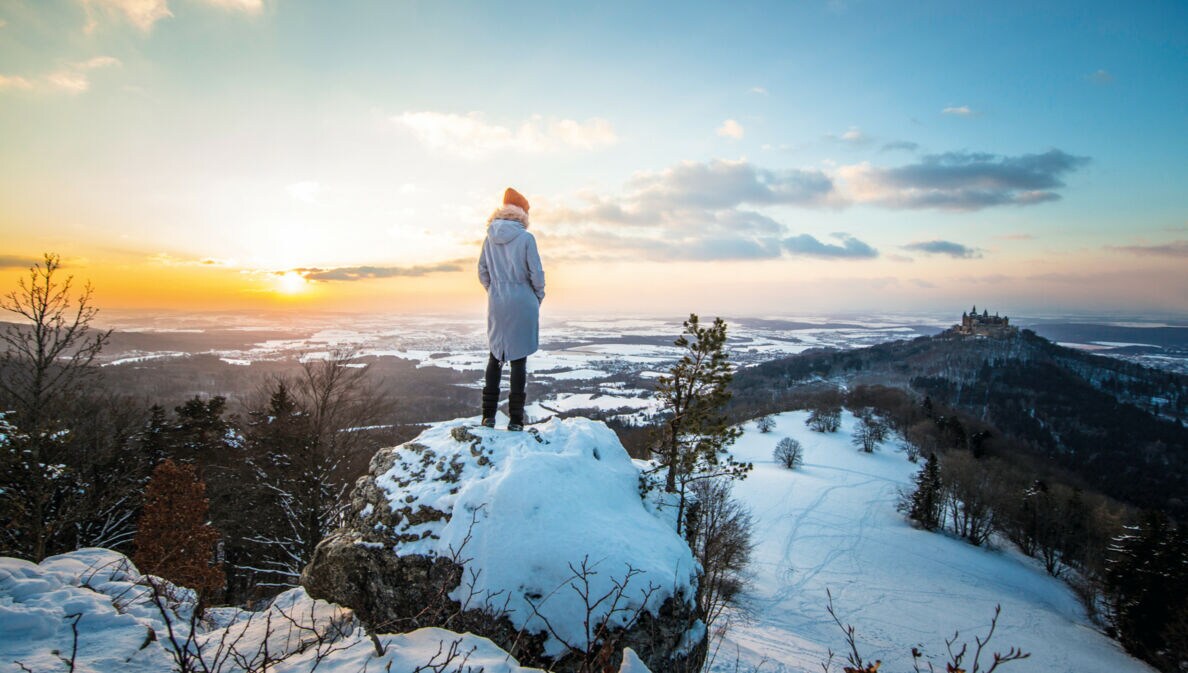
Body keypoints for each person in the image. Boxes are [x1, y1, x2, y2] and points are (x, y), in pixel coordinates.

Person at [478, 187, 545, 431]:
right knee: (518, 360)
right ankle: (516, 420)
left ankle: (488, 416)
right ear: (522, 213)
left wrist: (495, 291)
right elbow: (536, 273)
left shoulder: (489, 238)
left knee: (495, 356)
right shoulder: (526, 238)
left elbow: (482, 272)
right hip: (523, 299)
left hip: (497, 301)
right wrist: (537, 296)